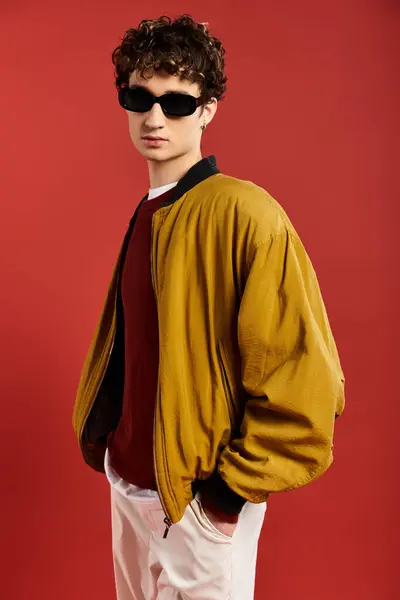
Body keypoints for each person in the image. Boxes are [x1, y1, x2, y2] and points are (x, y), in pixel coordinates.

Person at [72, 14, 345, 600]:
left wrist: (224, 498)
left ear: (208, 109)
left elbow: (304, 376)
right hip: (131, 487)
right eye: (139, 97)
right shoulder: (151, 211)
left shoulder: (246, 214)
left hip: (196, 501)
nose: (153, 118)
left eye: (176, 102)